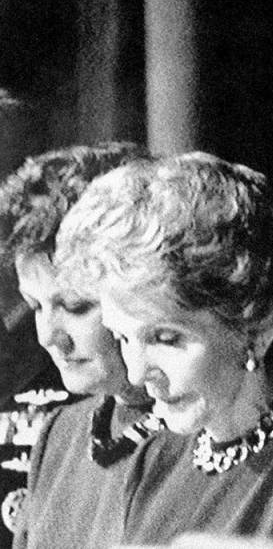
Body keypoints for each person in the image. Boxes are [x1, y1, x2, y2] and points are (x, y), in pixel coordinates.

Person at [53, 152, 273, 543]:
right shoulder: (156, 457)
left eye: (165, 338)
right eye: (124, 338)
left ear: (256, 329)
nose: (136, 372)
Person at [0, 143, 167, 549]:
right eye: (35, 305)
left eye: (75, 306)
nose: (47, 336)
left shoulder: (221, 438)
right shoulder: (60, 434)